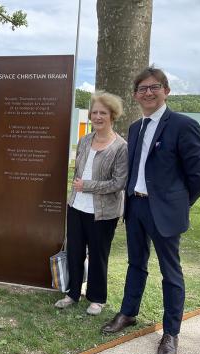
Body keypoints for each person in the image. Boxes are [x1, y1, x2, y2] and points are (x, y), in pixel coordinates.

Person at [101, 67, 200, 354]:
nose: (148, 92)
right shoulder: (136, 128)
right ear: (135, 95)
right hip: (136, 207)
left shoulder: (183, 125)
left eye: (154, 87)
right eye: (142, 89)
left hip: (164, 213)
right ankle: (128, 313)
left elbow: (199, 177)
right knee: (136, 264)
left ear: (166, 91)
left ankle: (171, 333)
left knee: (170, 273)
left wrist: (177, 205)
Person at [54, 91, 128, 315]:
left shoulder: (120, 147)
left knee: (98, 255)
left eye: (102, 113)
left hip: (103, 212)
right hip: (76, 206)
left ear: (112, 115)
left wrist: (87, 186)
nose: (97, 117)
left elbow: (119, 182)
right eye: (94, 112)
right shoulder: (85, 140)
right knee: (75, 252)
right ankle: (73, 293)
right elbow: (78, 170)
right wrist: (78, 189)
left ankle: (97, 298)